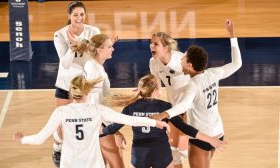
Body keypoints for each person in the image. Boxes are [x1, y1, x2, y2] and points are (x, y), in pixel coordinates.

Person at [13, 75, 170, 168]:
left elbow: (39, 139)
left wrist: (22, 139)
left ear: (72, 93)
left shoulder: (61, 112)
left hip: (70, 164)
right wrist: (156, 123)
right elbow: (131, 120)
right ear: (87, 91)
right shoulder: (96, 110)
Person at [150, 19, 241, 168]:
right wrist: (232, 34)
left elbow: (183, 105)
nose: (180, 60)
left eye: (184, 59)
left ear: (190, 65)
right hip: (218, 131)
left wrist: (163, 114)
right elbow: (237, 63)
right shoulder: (213, 73)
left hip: (201, 136)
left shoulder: (193, 84)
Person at [99, 74, 226, 168]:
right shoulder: (165, 107)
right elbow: (185, 128)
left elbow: (112, 129)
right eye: (160, 86)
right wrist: (210, 139)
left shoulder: (130, 108)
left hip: (140, 154)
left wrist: (96, 131)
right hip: (161, 152)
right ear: (155, 90)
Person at [52, 1, 100, 167]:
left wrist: (80, 43)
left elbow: (95, 54)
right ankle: (57, 147)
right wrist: (73, 47)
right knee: (62, 123)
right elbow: (65, 63)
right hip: (65, 84)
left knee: (88, 120)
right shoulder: (59, 34)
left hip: (85, 85)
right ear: (69, 16)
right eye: (75, 15)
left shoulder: (94, 31)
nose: (79, 18)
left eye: (82, 14)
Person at [73, 33, 126, 168]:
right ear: (99, 50)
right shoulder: (95, 70)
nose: (113, 49)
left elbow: (98, 98)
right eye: (109, 47)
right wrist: (113, 130)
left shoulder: (93, 65)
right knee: (117, 164)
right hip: (99, 124)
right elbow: (94, 104)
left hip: (95, 122)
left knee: (101, 163)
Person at [149, 31, 190, 167]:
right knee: (173, 150)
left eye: (156, 44)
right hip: (173, 106)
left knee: (185, 148)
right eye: (151, 43)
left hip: (190, 106)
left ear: (166, 48)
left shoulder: (181, 60)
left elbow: (197, 78)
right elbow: (156, 83)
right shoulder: (153, 63)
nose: (152, 46)